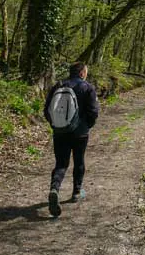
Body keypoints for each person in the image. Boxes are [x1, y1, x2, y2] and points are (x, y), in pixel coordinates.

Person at [44, 62, 99, 217]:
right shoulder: (87, 87)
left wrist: (56, 125)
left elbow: (47, 109)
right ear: (82, 73)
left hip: (60, 132)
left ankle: (54, 188)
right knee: (79, 161)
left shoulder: (58, 85)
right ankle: (76, 192)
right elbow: (94, 111)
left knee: (61, 163)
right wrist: (87, 125)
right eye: (86, 72)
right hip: (80, 133)